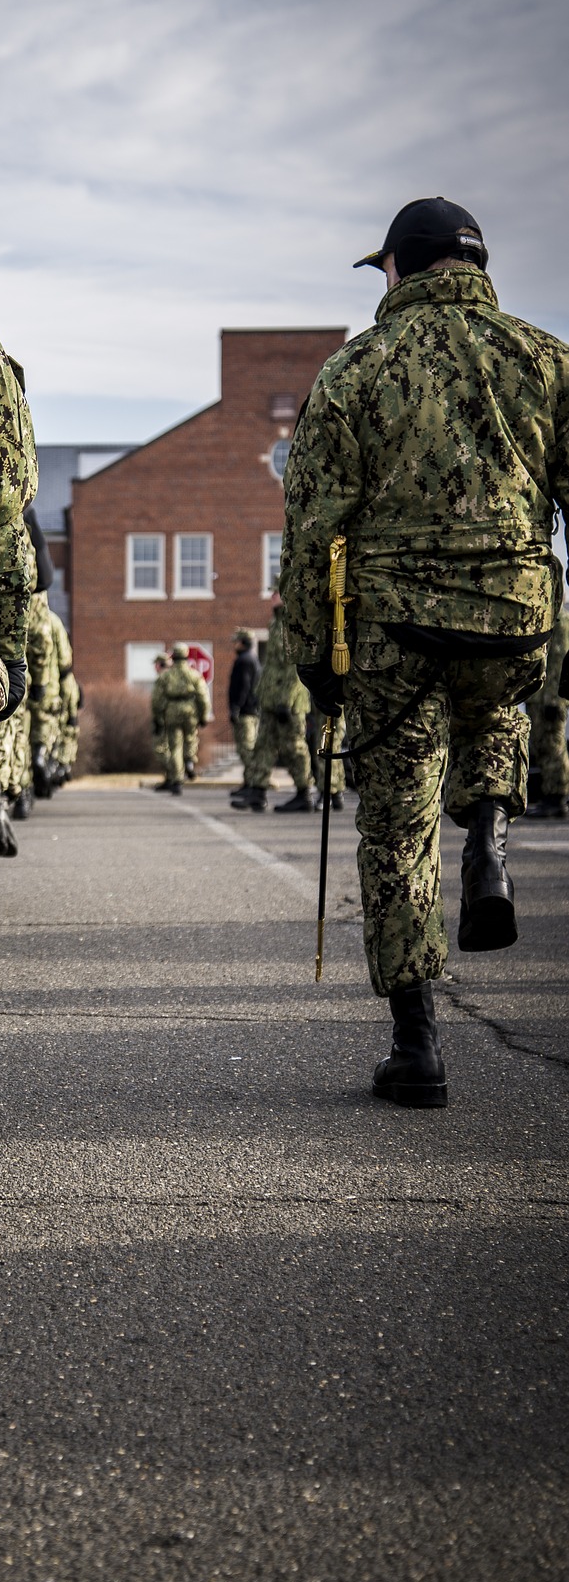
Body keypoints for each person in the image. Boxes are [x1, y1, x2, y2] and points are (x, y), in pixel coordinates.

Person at [281, 196, 569, 1108]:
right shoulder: (548, 360)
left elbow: (312, 529)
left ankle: (418, 1046)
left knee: (396, 829)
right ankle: (487, 838)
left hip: (393, 628)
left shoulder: (352, 370)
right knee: (494, 710)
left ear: (400, 268)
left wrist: (311, 660)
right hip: (515, 610)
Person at [230, 604, 314, 812]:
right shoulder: (276, 622)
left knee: (294, 748)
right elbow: (272, 666)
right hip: (269, 700)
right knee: (264, 745)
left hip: (288, 703)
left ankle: (304, 794)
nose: (271, 596)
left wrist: (286, 701)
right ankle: (257, 792)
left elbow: (295, 665)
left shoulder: (296, 619)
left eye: (275, 591)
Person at [524, 603, 569, 818]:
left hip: (549, 699)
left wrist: (554, 699)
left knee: (553, 746)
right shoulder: (546, 616)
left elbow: (559, 662)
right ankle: (548, 796)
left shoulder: (560, 621)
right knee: (542, 746)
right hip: (539, 697)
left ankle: (557, 797)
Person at [154, 643, 210, 794]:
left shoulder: (166, 676)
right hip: (190, 709)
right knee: (191, 738)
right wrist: (204, 715)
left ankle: (177, 780)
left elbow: (157, 699)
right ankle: (190, 761)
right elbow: (203, 696)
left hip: (172, 710)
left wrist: (157, 718)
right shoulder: (194, 674)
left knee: (175, 746)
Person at [228, 630, 261, 787]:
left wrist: (236, 708)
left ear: (243, 643)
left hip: (246, 712)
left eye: (237, 641)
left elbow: (243, 687)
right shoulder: (250, 659)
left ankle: (253, 783)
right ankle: (249, 782)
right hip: (249, 710)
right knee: (245, 749)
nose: (235, 644)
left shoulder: (244, 661)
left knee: (247, 749)